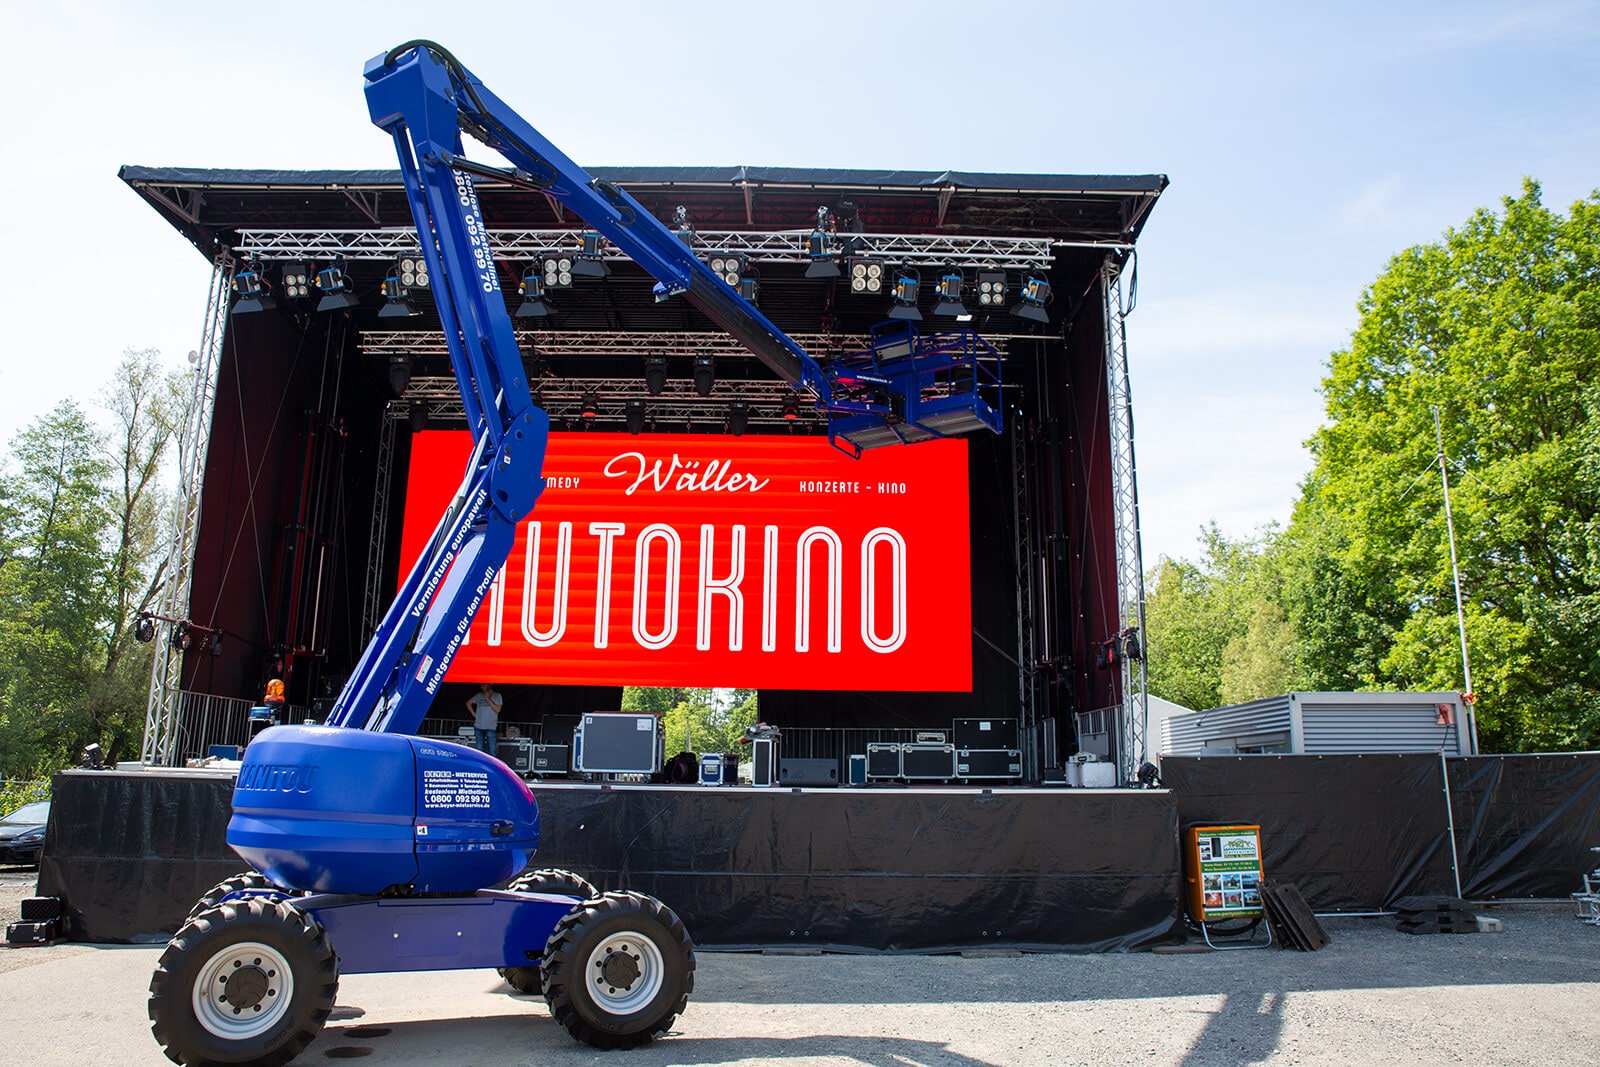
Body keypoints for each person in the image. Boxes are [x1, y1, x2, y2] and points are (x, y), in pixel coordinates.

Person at [466, 683, 503, 757]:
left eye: (484, 685)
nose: (481, 687)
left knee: (492, 750)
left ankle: (492, 766)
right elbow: (468, 703)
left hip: (490, 726)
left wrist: (488, 698)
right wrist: (474, 715)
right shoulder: (479, 695)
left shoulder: (497, 695)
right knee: (479, 750)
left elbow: (498, 709)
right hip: (478, 726)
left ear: (489, 686)